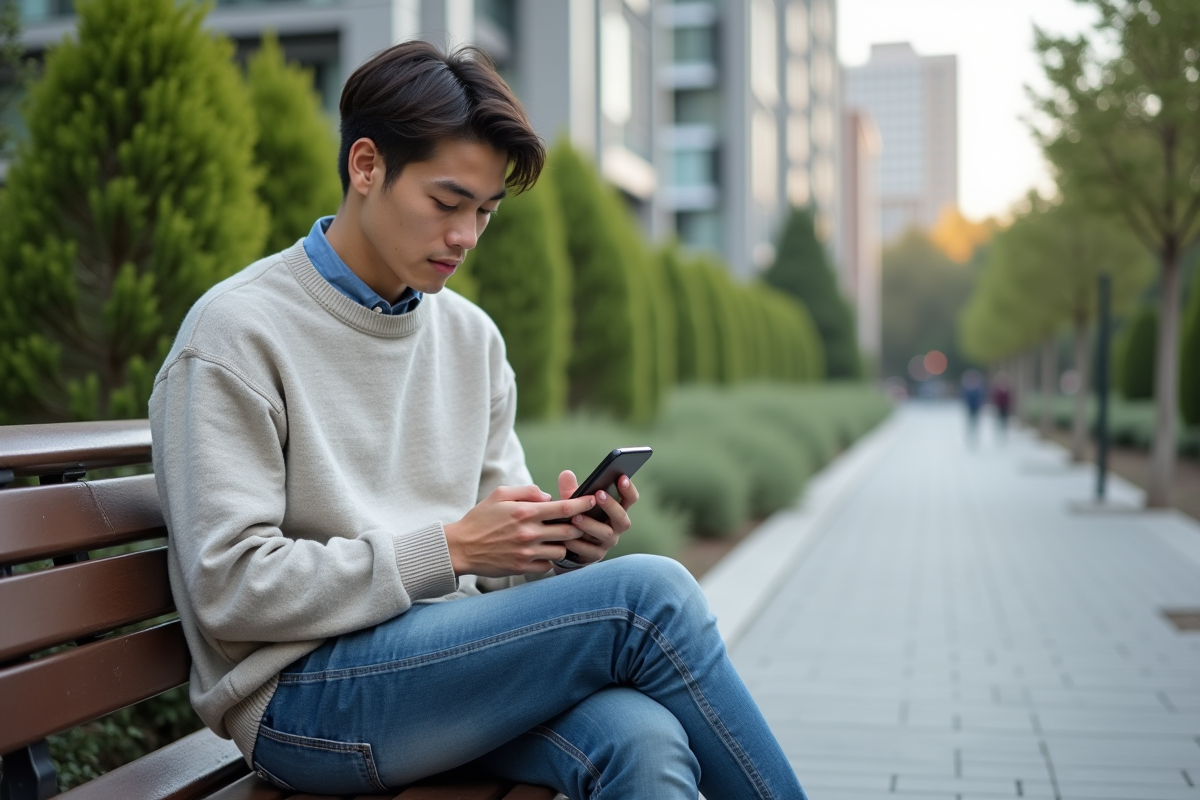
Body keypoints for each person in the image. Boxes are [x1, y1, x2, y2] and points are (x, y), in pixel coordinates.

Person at [149, 41, 806, 800]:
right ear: (367, 166)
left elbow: (493, 574)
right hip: (305, 699)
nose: (466, 235)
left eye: (486, 212)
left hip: (446, 672)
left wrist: (556, 550)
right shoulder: (236, 332)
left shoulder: (471, 338)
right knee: (650, 599)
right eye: (447, 202)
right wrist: (451, 547)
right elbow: (229, 588)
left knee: (643, 738)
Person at [961, 369, 985, 445]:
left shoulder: (977, 388)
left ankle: (975, 437)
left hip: (976, 408)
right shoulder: (967, 388)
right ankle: (970, 437)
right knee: (970, 423)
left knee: (975, 423)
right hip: (970, 408)